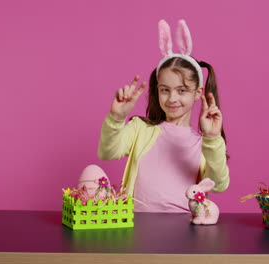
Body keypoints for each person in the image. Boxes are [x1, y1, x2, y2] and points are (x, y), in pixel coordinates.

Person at [98, 19, 229, 212]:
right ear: (157, 89)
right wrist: (116, 118)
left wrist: (212, 138)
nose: (172, 98)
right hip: (137, 230)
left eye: (182, 90)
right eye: (165, 90)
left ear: (198, 93)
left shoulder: (205, 144)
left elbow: (218, 184)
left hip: (185, 231)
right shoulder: (140, 129)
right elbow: (107, 153)